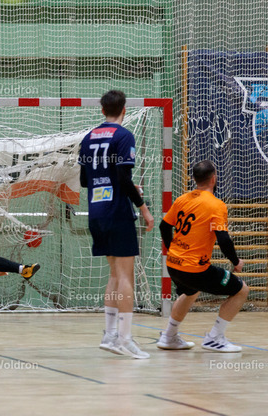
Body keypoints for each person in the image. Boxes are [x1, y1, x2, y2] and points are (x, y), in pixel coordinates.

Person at [78, 90, 154, 359]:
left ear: (102, 110)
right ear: (124, 109)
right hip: (117, 212)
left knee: (114, 274)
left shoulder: (88, 138)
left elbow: (84, 181)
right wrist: (143, 207)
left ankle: (110, 335)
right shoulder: (123, 136)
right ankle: (124, 339)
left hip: (96, 212)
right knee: (125, 276)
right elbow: (123, 177)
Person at [157, 160, 248, 353]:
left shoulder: (182, 199)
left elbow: (164, 226)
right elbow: (223, 240)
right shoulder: (216, 205)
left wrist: (173, 249)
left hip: (173, 264)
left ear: (194, 179)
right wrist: (236, 262)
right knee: (241, 290)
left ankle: (169, 336)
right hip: (195, 269)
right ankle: (215, 338)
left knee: (191, 291)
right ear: (214, 179)